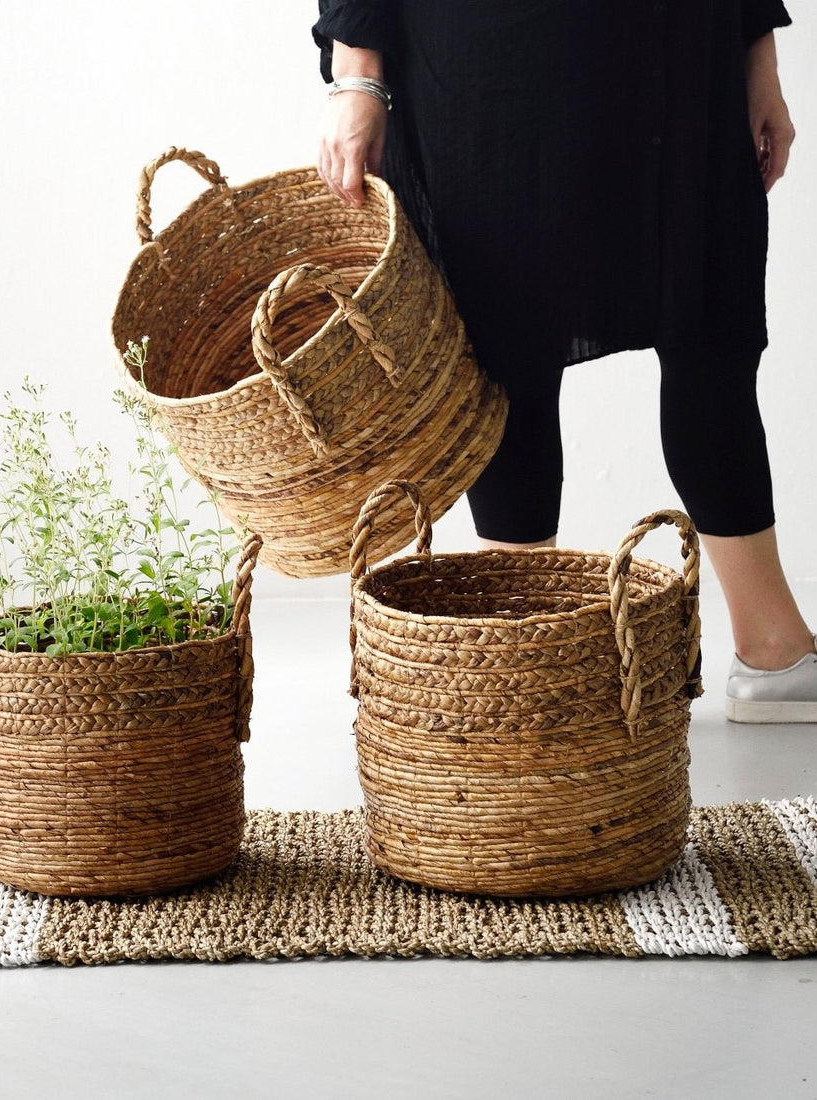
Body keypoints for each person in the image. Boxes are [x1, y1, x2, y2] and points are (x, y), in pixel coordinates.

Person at [313, 0, 817, 723]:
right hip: (496, 50)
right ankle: (522, 660)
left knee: (711, 328)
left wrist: (757, 58)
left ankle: (772, 648)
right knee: (506, 345)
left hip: (684, 46)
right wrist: (356, 74)